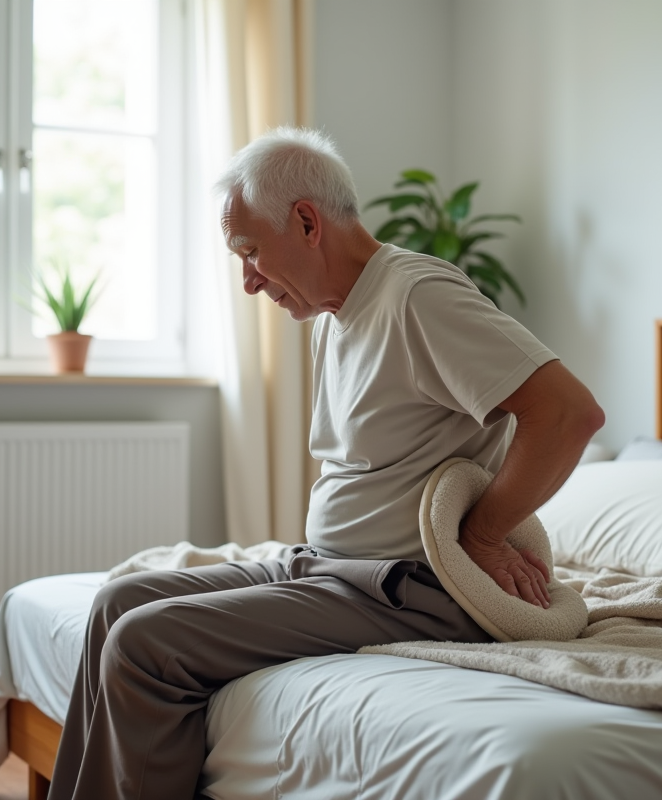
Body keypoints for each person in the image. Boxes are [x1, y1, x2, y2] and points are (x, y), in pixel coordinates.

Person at [48, 128, 604, 800]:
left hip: (407, 585)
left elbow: (569, 414)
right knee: (115, 603)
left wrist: (482, 536)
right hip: (326, 565)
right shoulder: (336, 315)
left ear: (307, 221)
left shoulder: (418, 296)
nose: (249, 281)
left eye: (250, 252)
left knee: (145, 644)